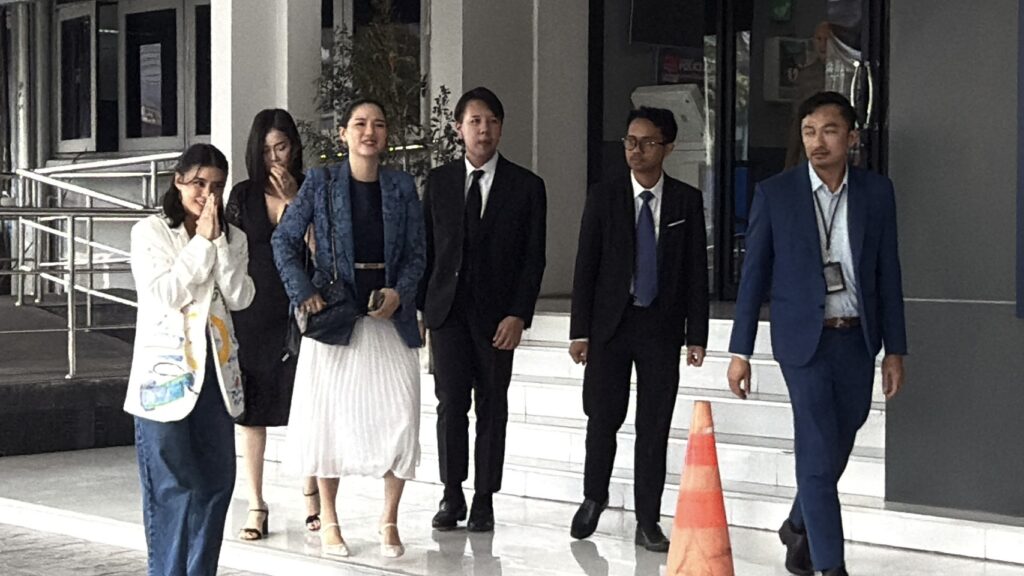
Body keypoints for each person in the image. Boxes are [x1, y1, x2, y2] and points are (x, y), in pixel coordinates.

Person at [727, 91, 906, 576]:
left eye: (829, 131)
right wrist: (740, 351)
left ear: (852, 137)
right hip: (802, 342)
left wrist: (895, 349)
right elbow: (753, 277)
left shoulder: (876, 193)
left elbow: (888, 272)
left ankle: (796, 525)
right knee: (816, 447)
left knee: (837, 441)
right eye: (809, 132)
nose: (817, 142)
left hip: (857, 339)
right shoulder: (776, 194)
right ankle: (831, 566)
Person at [272, 98, 425, 558]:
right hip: (336, 316)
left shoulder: (401, 185)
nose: (369, 132)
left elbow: (418, 252)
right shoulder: (321, 182)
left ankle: (389, 519)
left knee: (401, 416)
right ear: (343, 133)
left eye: (378, 124)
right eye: (359, 124)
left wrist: (400, 292)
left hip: (388, 315)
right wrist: (303, 291)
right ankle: (331, 520)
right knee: (329, 420)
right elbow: (284, 239)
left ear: (387, 134)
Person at [567, 106, 709, 552]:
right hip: (611, 325)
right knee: (602, 417)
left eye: (647, 143)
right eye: (630, 141)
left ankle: (648, 519)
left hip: (660, 326)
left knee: (654, 426)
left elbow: (696, 272)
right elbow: (585, 265)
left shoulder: (686, 200)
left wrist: (697, 334)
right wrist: (579, 331)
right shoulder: (604, 196)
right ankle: (594, 496)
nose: (636, 150)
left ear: (668, 147)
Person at [418, 86, 547, 533]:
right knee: (450, 405)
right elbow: (427, 249)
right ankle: (451, 493)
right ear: (459, 128)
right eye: (475, 121)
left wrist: (519, 314)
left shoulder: (526, 186)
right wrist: (422, 309)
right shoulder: (438, 182)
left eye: (492, 121)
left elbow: (534, 258)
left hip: (497, 318)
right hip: (447, 314)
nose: (484, 130)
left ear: (501, 127)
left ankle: (484, 498)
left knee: (492, 406)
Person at [125, 143, 255, 575]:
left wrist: (218, 244)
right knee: (172, 488)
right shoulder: (151, 232)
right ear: (178, 181)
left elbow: (240, 295)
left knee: (216, 484)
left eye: (216, 185)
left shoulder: (233, 236)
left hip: (217, 375)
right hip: (165, 378)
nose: (207, 194)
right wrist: (201, 243)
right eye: (198, 183)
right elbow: (165, 293)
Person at [225, 108, 320, 540]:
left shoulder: (312, 187)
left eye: (280, 147)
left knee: (306, 407)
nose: (274, 158)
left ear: (294, 147)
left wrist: (296, 203)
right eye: (265, 151)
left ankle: (311, 497)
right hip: (252, 310)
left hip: (300, 309)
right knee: (252, 412)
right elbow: (228, 256)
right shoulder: (243, 196)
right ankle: (256, 503)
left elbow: (324, 252)